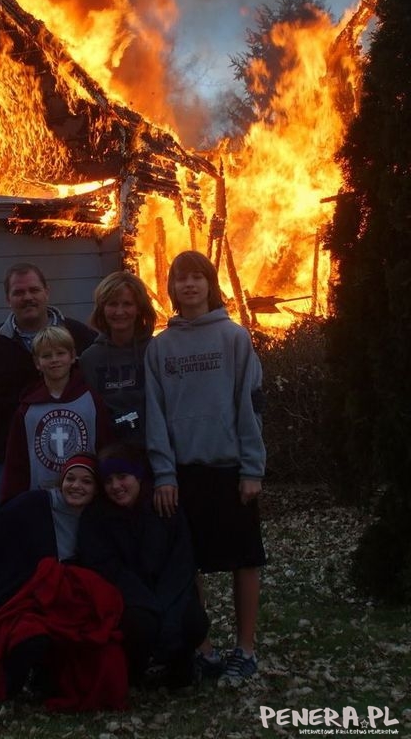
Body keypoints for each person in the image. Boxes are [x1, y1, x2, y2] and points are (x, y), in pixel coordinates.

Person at [144, 250, 266, 682]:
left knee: (245, 558)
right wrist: (163, 473)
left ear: (210, 284)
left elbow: (248, 406)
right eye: (181, 279)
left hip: (229, 467)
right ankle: (204, 648)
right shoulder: (160, 348)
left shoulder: (234, 338)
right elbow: (155, 415)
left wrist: (252, 468)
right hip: (183, 472)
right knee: (187, 562)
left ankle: (245, 649)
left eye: (198, 277)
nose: (189, 285)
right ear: (172, 288)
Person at [0, 448, 128, 711]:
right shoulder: (33, 506)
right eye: (71, 479)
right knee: (26, 636)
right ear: (62, 481)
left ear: (97, 489)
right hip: (16, 601)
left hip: (66, 608)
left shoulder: (98, 521)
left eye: (86, 481)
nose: (76, 486)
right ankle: (9, 677)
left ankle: (50, 680)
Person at [0, 262, 96, 512]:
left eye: (34, 290)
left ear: (47, 291)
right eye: (19, 292)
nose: (27, 297)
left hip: (72, 460)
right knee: (11, 533)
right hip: (5, 462)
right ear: (7, 299)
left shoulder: (81, 337)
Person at [77, 443, 209, 689]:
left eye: (122, 477)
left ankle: (178, 664)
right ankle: (134, 667)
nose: (116, 486)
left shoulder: (165, 508)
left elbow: (181, 563)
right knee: (140, 623)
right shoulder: (96, 518)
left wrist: (165, 606)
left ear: (137, 476)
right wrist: (148, 604)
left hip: (168, 594)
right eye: (108, 481)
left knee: (192, 620)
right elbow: (106, 568)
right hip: (129, 599)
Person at [1, 325, 113, 505]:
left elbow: (105, 446)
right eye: (46, 356)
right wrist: (11, 501)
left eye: (60, 353)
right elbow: (17, 460)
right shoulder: (28, 409)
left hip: (88, 500)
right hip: (42, 501)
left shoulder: (91, 400)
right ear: (37, 363)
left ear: (72, 356)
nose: (54, 360)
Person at [79, 270, 157, 447]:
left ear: (139, 309)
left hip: (152, 450)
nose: (119, 312)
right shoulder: (90, 359)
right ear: (102, 309)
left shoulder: (155, 351)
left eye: (127, 304)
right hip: (109, 454)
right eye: (112, 304)